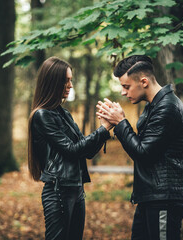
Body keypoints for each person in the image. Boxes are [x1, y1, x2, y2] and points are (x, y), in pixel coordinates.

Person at [96, 55, 183, 240]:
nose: (123, 92)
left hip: (164, 198)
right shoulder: (152, 107)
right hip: (151, 196)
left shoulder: (167, 108)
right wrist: (118, 123)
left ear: (144, 81)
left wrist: (121, 122)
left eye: (126, 86)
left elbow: (143, 153)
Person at [28, 56, 112, 240]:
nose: (70, 85)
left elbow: (87, 151)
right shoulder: (42, 116)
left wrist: (105, 128)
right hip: (58, 191)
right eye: (66, 80)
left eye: (71, 80)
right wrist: (103, 129)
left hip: (76, 189)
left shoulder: (63, 113)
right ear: (53, 81)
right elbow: (72, 150)